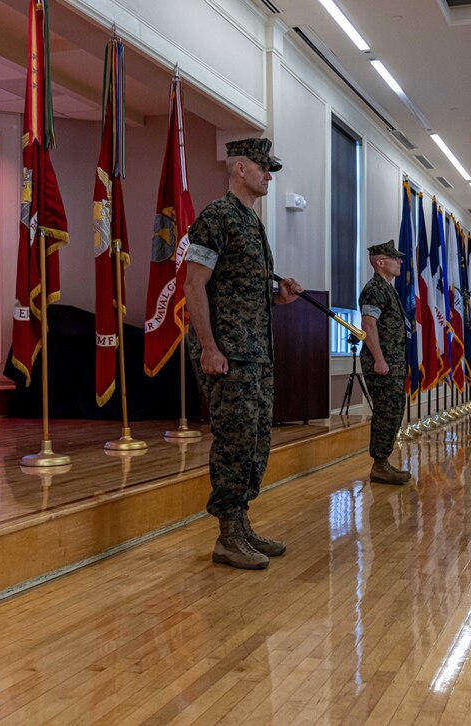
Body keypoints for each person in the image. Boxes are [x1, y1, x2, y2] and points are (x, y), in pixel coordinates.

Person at [184, 137, 303, 570]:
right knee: (234, 441)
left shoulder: (251, 222)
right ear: (239, 168)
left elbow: (239, 292)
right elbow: (193, 285)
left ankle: (242, 523)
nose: (268, 175)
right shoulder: (216, 217)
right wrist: (210, 348)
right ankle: (227, 535)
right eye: (263, 167)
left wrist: (279, 299)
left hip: (255, 352)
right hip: (229, 354)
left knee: (255, 441)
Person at [359, 240, 412, 485]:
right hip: (382, 364)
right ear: (381, 262)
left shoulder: (388, 288)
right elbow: (368, 325)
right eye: (395, 258)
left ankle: (383, 462)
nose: (400, 262)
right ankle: (379, 465)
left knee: (394, 412)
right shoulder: (375, 289)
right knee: (386, 413)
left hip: (393, 363)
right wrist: (379, 359)